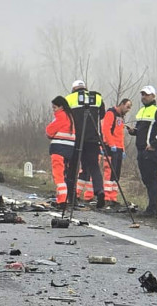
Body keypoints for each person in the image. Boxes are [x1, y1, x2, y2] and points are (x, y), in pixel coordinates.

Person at [128, 85, 157, 217]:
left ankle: (153, 209)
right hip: (141, 151)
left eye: (146, 94)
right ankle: (151, 207)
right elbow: (141, 131)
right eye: (142, 94)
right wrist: (133, 131)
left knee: (151, 179)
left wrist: (154, 143)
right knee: (146, 179)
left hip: (151, 151)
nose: (143, 97)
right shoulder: (141, 111)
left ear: (153, 96)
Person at [65, 80, 106, 209]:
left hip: (77, 138)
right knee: (94, 166)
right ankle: (99, 191)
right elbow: (102, 115)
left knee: (73, 168)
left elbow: (66, 118)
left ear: (74, 89)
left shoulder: (69, 99)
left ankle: (71, 198)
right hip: (93, 138)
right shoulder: (97, 98)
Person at [101, 98, 132, 207]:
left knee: (116, 175)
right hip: (111, 147)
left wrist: (122, 149)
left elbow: (120, 135)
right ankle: (106, 197)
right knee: (109, 173)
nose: (128, 110)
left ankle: (113, 197)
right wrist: (111, 144)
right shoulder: (111, 113)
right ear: (122, 104)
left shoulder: (120, 117)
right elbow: (106, 130)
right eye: (127, 107)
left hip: (118, 148)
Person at [45, 96, 76, 206]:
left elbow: (49, 131)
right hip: (69, 150)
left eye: (54, 107)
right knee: (64, 174)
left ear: (61, 106)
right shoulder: (71, 117)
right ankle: (63, 197)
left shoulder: (61, 116)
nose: (53, 110)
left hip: (59, 149)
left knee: (58, 175)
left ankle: (62, 199)